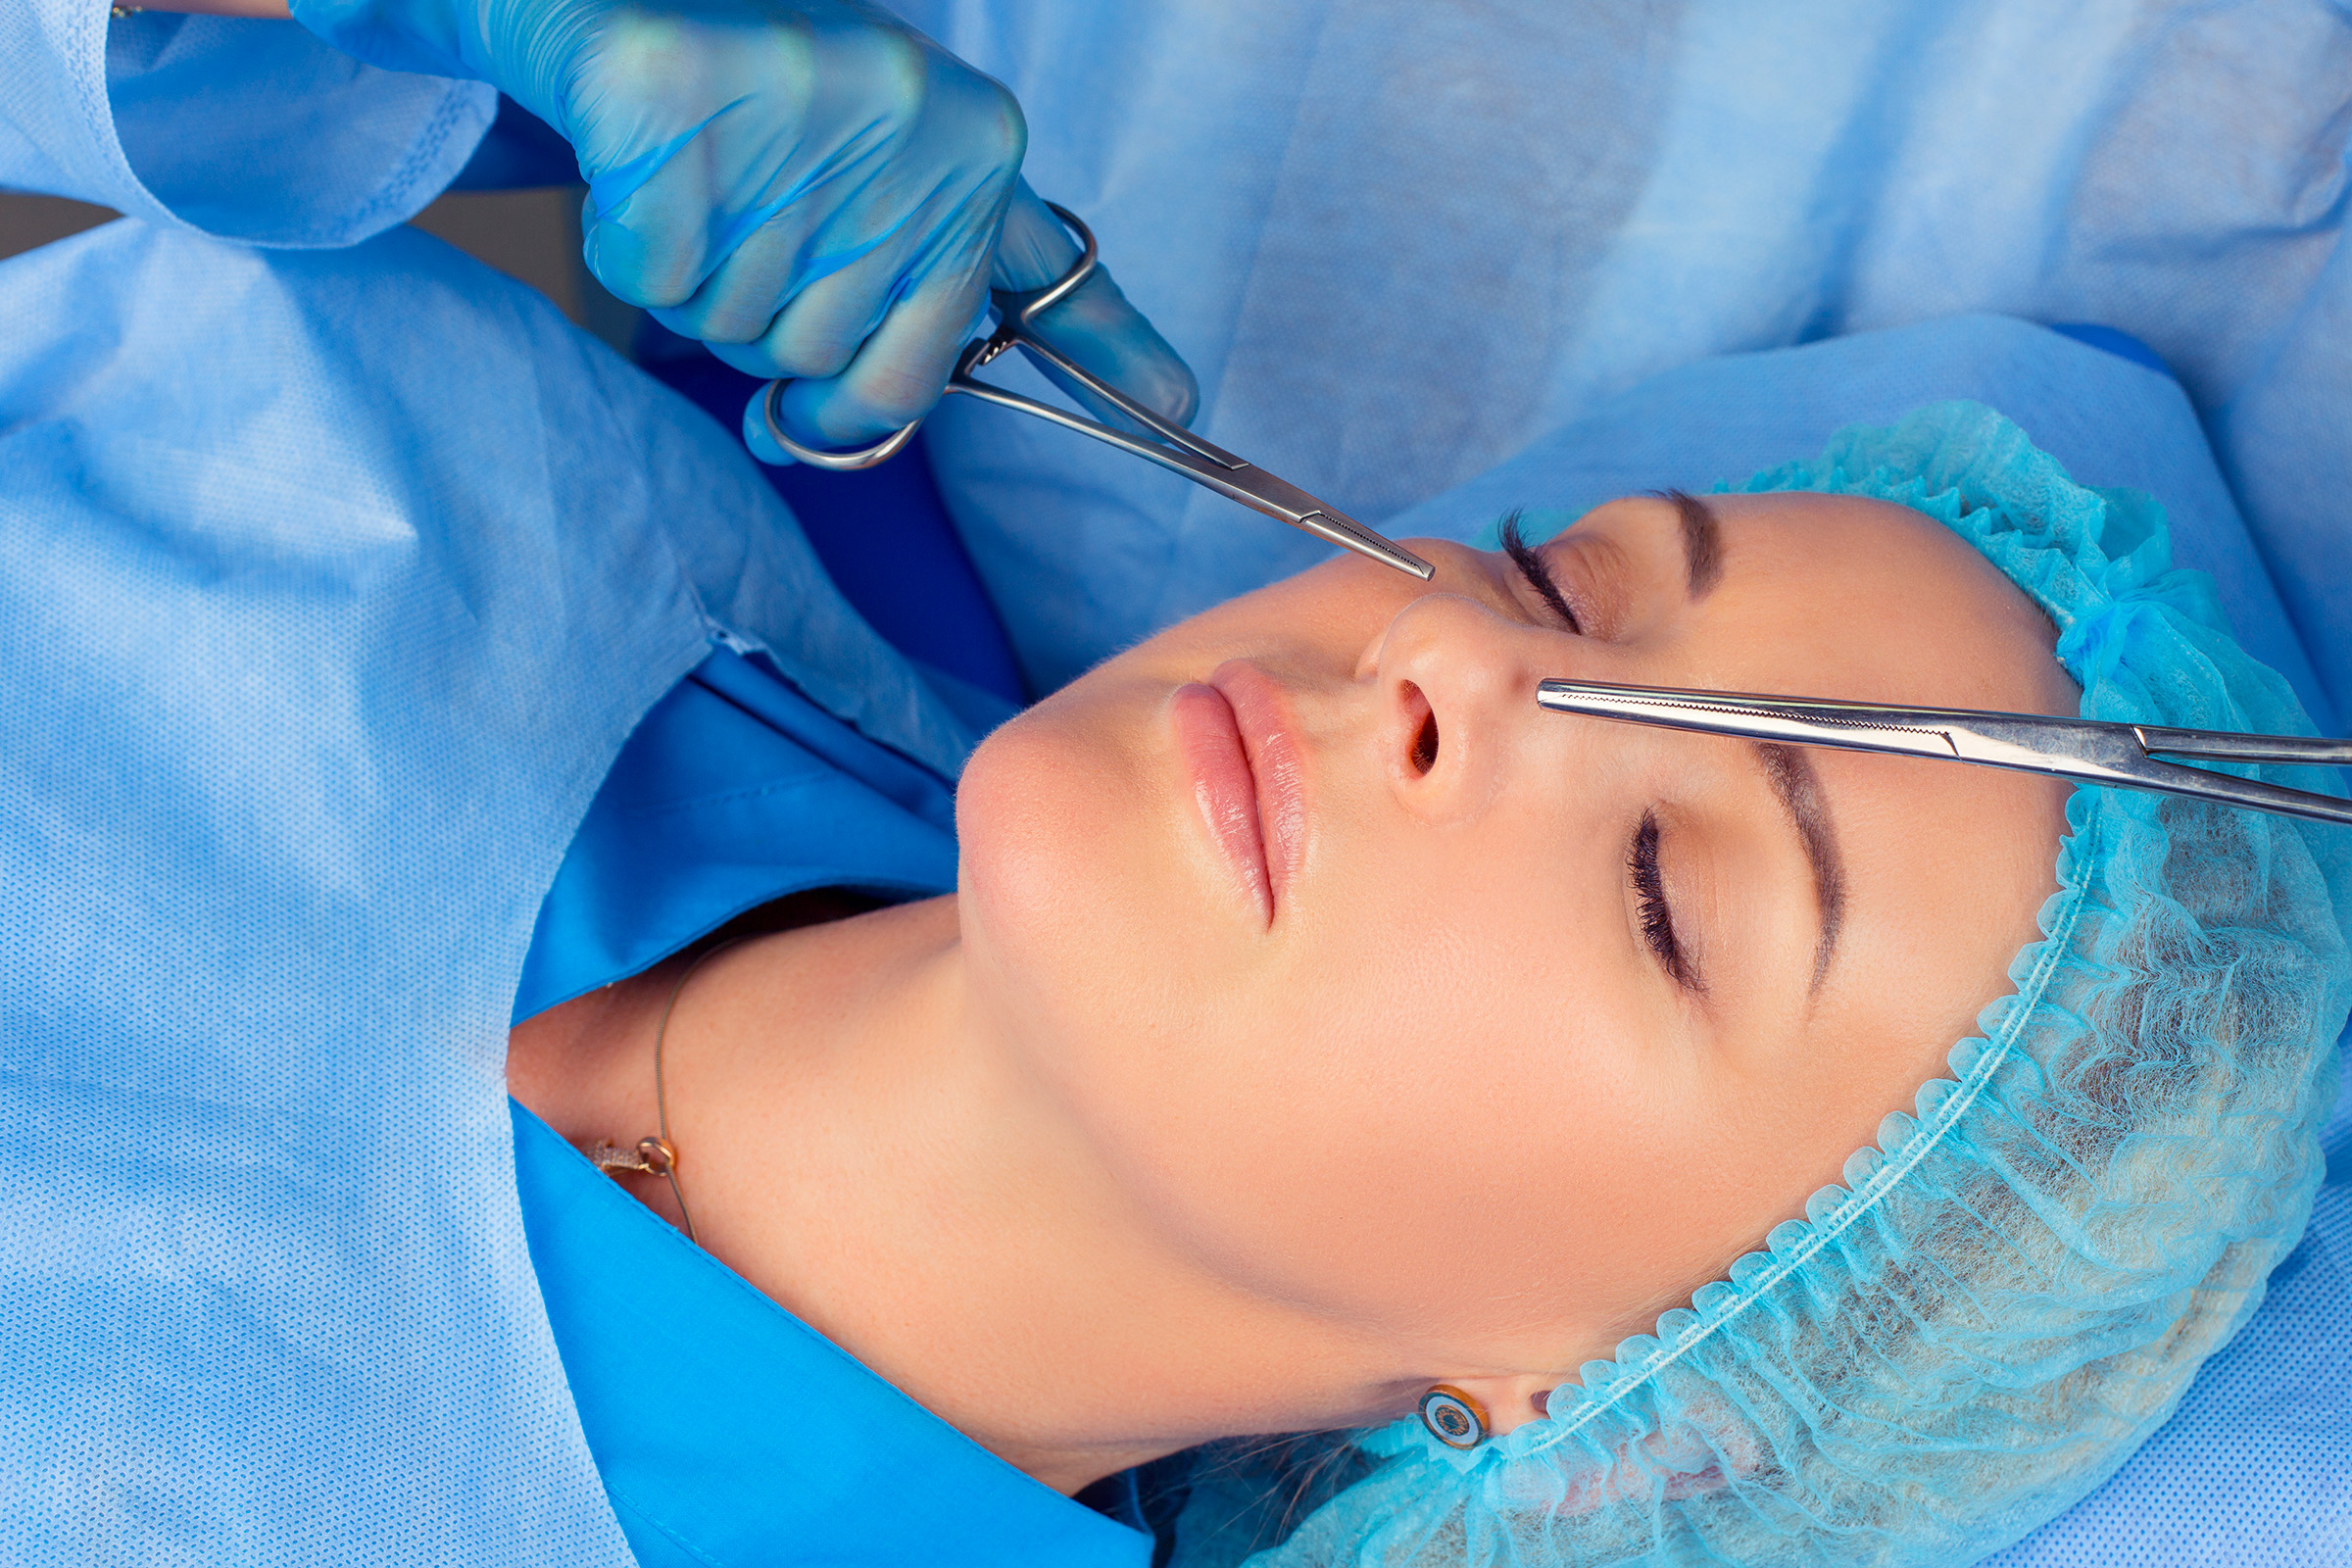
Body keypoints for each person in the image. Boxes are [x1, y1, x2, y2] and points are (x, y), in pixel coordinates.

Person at [1, 6, 2345, 1568]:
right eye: (1570, 584)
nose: (1444, 652)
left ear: (1633, 1414)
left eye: (1662, 888)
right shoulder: (651, 511)